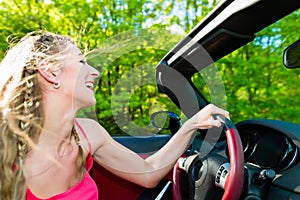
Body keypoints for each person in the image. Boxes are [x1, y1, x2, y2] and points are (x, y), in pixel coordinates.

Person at [0, 31, 230, 200]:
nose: (95, 72)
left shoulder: (88, 133)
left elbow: (148, 173)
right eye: (81, 61)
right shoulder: (5, 149)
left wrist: (190, 126)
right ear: (50, 72)